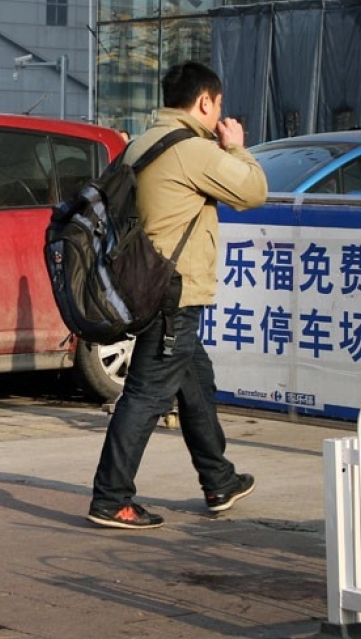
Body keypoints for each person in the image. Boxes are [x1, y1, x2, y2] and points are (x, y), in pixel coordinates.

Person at [87, 61, 267, 528]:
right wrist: (238, 149)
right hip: (174, 292)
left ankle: (219, 480)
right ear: (205, 102)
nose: (219, 115)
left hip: (145, 285)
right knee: (146, 396)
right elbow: (252, 191)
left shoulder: (140, 144)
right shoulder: (190, 149)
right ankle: (111, 497)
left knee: (196, 382)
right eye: (218, 106)